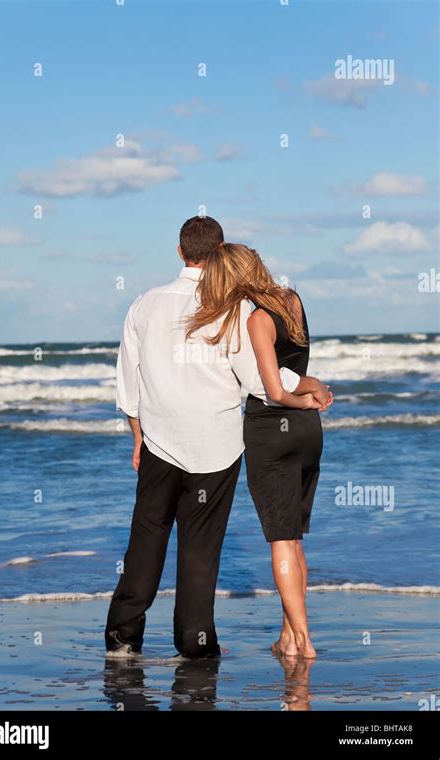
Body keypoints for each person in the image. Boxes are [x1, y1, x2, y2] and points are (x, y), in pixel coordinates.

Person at [105, 218, 331, 659]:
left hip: (159, 445)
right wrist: (308, 384)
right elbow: (260, 383)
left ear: (179, 251)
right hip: (217, 448)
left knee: (146, 538)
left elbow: (127, 386)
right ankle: (194, 641)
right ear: (222, 249)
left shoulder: (145, 304)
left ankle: (122, 637)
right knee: (200, 549)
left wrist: (137, 437)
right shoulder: (235, 308)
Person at [186, 243, 333, 659]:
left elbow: (273, 390)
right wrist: (312, 392)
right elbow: (298, 369)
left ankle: (304, 641)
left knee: (281, 540)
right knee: (296, 538)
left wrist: (303, 397)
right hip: (308, 433)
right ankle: (288, 636)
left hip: (272, 431)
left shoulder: (255, 320)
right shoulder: (292, 300)